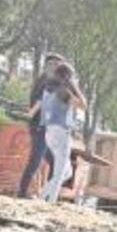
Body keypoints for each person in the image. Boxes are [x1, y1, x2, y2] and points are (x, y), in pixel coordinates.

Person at [17, 53, 65, 198]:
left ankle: (47, 193)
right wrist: (31, 114)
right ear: (49, 65)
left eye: (58, 65)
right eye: (55, 64)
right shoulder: (49, 81)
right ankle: (22, 193)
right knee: (35, 161)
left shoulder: (42, 79)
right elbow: (40, 101)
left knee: (53, 160)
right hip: (40, 126)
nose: (57, 67)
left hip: (40, 125)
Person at [40, 63, 87, 203]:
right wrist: (75, 87)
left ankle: (43, 195)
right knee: (60, 172)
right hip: (61, 132)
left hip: (49, 131)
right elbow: (83, 105)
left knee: (67, 172)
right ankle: (50, 200)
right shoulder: (63, 91)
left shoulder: (49, 88)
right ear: (67, 76)